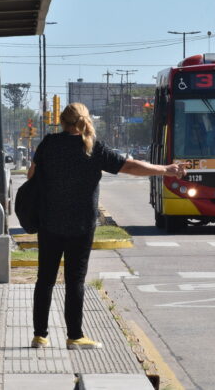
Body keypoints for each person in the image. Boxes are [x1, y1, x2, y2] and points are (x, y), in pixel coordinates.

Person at [28, 102, 186, 350]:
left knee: (45, 279)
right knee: (75, 281)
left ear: (62, 121)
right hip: (81, 225)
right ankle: (75, 336)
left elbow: (31, 177)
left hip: (50, 222)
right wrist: (165, 170)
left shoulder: (49, 143)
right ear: (85, 120)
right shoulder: (94, 148)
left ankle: (40, 336)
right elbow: (130, 167)